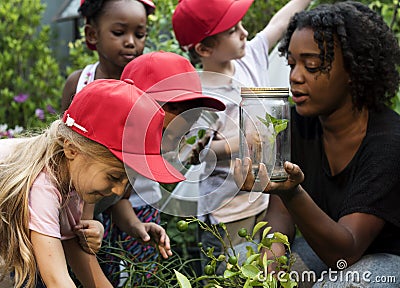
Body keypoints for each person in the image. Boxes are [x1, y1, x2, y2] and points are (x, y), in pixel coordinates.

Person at [234, 1, 400, 287]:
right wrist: (269, 267)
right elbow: (279, 213)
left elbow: (345, 253)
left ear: (353, 70)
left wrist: (292, 191)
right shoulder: (299, 126)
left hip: (385, 259)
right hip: (327, 245)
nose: (295, 77)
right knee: (243, 269)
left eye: (312, 65)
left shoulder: (389, 143)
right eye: (292, 64)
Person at [0, 78, 184, 288]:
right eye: (114, 177)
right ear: (72, 149)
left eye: (127, 181)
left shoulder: (70, 179)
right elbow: (57, 280)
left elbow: (77, 253)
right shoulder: (42, 186)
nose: (118, 190)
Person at [172, 0, 312, 269]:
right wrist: (237, 144)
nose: (244, 32)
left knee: (276, 271)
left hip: (269, 202)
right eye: (232, 29)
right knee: (234, 275)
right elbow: (192, 154)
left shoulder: (251, 55)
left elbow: (281, 22)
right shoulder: (199, 94)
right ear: (204, 48)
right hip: (229, 215)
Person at [95, 51, 225, 286]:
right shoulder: (104, 153)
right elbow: (75, 238)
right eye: (168, 135)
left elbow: (118, 200)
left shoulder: (137, 154)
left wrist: (137, 226)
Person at [61, 0, 155, 112]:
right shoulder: (78, 83)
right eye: (118, 32)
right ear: (92, 34)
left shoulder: (151, 85)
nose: (131, 42)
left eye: (139, 35)